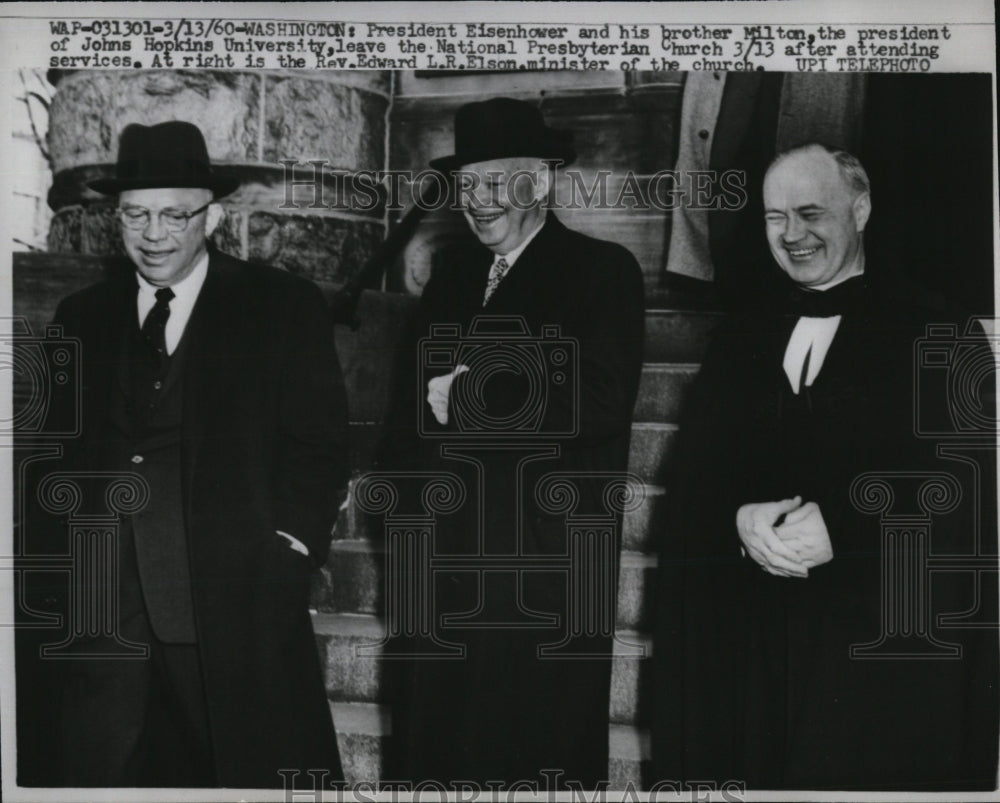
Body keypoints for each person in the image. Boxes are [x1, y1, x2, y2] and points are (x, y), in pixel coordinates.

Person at [651, 142, 999, 790]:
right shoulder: (740, 336)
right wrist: (737, 513)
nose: (791, 235)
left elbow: (964, 490)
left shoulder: (940, 331)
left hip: (868, 650)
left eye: (810, 212)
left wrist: (849, 524)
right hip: (756, 649)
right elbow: (697, 473)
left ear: (860, 209)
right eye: (773, 217)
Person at [18, 121, 349, 788]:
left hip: (228, 603)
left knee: (243, 773)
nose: (154, 232)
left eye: (175, 214)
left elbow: (319, 444)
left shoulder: (280, 307)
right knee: (91, 770)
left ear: (213, 214)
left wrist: (289, 547)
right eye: (136, 214)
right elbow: (50, 454)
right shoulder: (83, 316)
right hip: (103, 612)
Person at [377, 97, 645, 787]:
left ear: (542, 182)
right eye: (468, 184)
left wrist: (469, 397)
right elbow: (404, 420)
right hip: (440, 571)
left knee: (531, 758)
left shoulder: (601, 271)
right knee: (434, 757)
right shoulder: (452, 276)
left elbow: (601, 399)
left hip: (542, 574)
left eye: (498, 181)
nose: (479, 200)